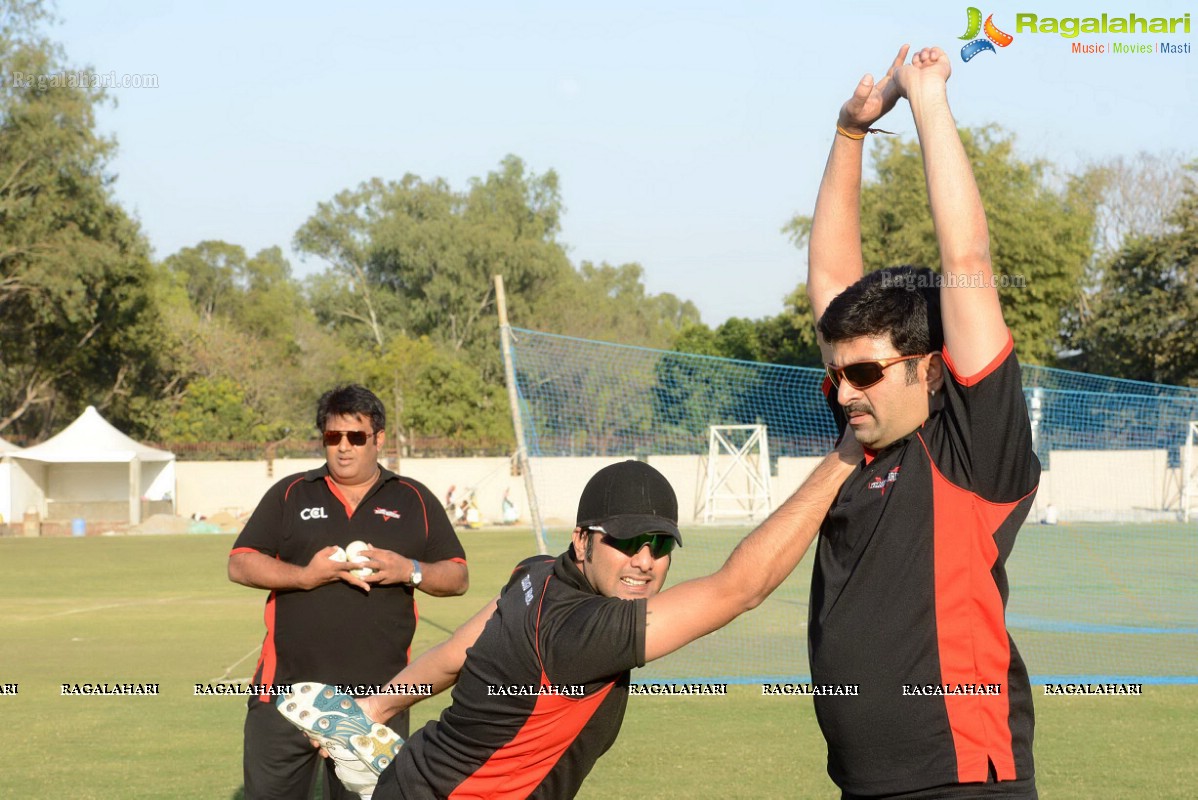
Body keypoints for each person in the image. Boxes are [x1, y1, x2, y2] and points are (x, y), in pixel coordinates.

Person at [278, 447, 859, 799]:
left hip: (415, 773)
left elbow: (458, 650)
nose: (645, 561)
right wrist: (845, 458)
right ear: (582, 540)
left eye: (660, 545)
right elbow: (739, 589)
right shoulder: (582, 629)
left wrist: (375, 709)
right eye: (626, 541)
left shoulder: (536, 572)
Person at [805, 46, 1041, 797]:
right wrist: (850, 133)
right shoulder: (859, 432)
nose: (845, 393)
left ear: (930, 369)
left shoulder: (971, 449)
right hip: (863, 784)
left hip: (962, 781)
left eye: (868, 374)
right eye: (838, 375)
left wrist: (927, 96)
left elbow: (964, 257)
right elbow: (836, 287)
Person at [228, 384, 470, 799]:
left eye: (355, 437)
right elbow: (240, 562)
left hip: (377, 700)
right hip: (284, 695)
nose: (343, 447)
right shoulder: (291, 492)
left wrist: (408, 569)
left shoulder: (412, 498)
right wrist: (305, 576)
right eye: (332, 437)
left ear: (378, 439)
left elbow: (457, 576)